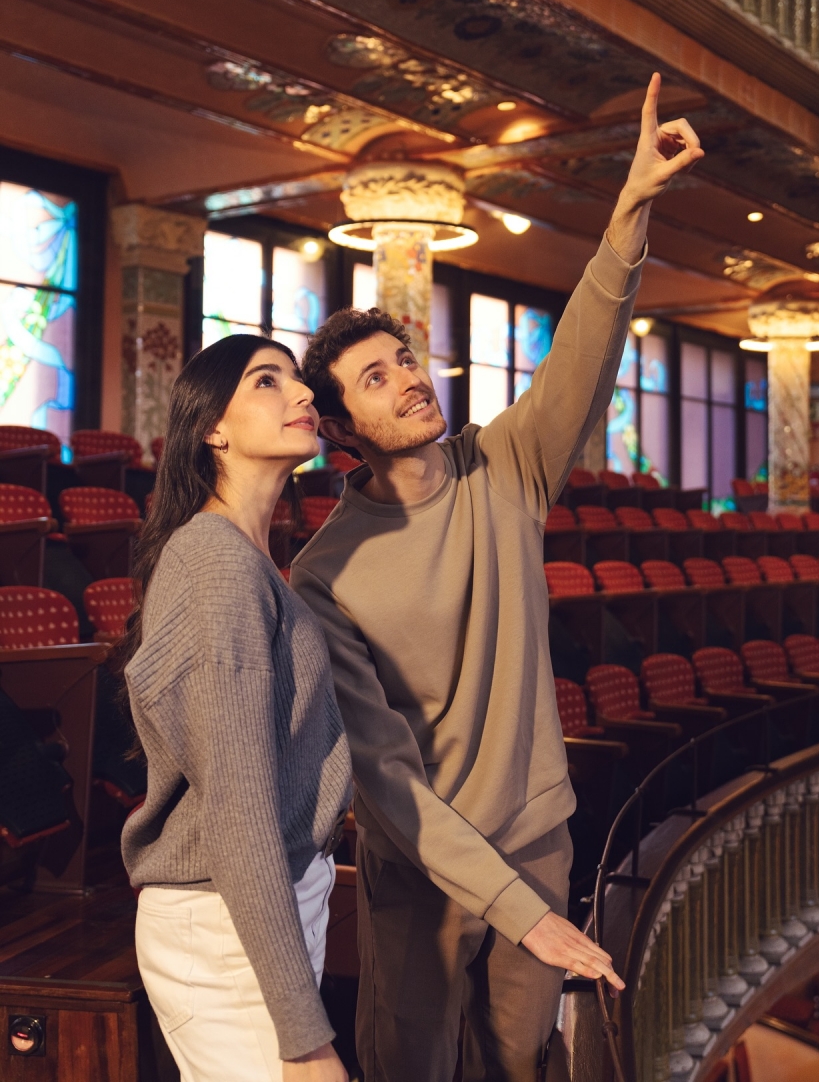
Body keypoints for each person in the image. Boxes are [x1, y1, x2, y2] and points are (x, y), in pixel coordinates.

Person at [291, 72, 702, 1082]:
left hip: (539, 835)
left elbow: (584, 360)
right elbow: (383, 778)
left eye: (405, 356)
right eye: (376, 376)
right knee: (416, 1064)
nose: (408, 376)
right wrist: (506, 902)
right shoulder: (322, 574)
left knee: (519, 1061)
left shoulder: (508, 463)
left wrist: (631, 206)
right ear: (339, 428)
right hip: (424, 867)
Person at [119, 335, 353, 1082]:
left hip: (254, 910)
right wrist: (305, 1038)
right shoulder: (217, 562)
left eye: (299, 380)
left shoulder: (246, 560)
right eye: (266, 380)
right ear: (212, 429)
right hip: (225, 924)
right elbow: (237, 809)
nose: (303, 394)